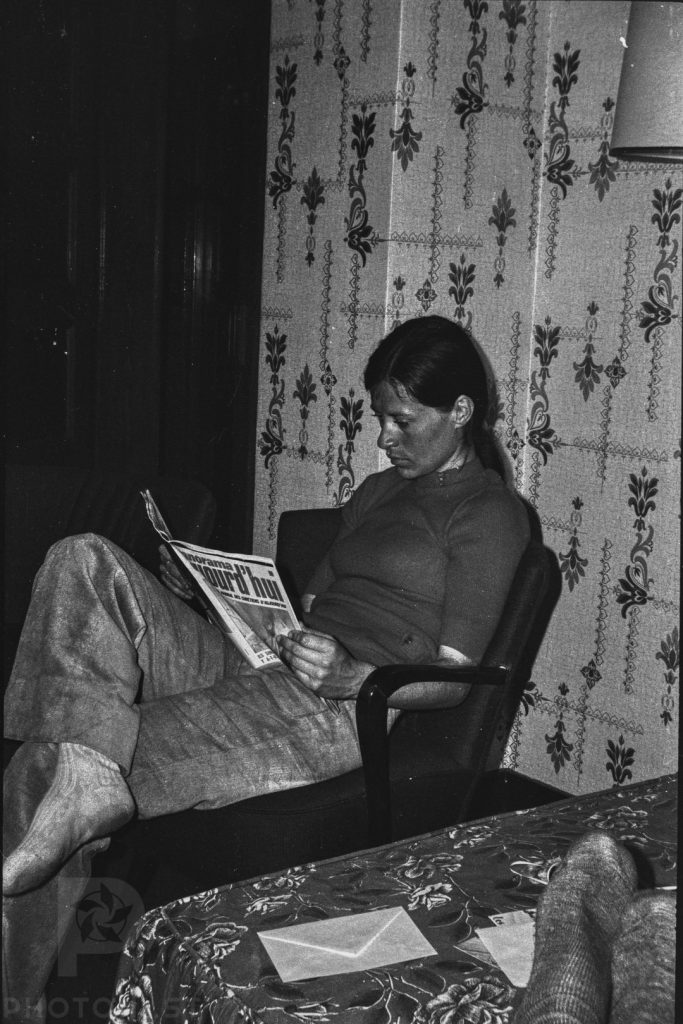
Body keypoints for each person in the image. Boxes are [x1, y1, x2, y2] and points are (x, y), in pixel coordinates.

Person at [3, 315, 530, 1021]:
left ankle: (15, 1000)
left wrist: (354, 676)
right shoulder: (380, 492)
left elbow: (452, 679)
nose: (383, 437)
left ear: (459, 411)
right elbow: (302, 607)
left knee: (46, 762)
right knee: (84, 557)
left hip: (336, 707)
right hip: (269, 662)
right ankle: (88, 772)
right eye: (380, 418)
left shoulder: (489, 513)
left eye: (401, 421)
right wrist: (205, 595)